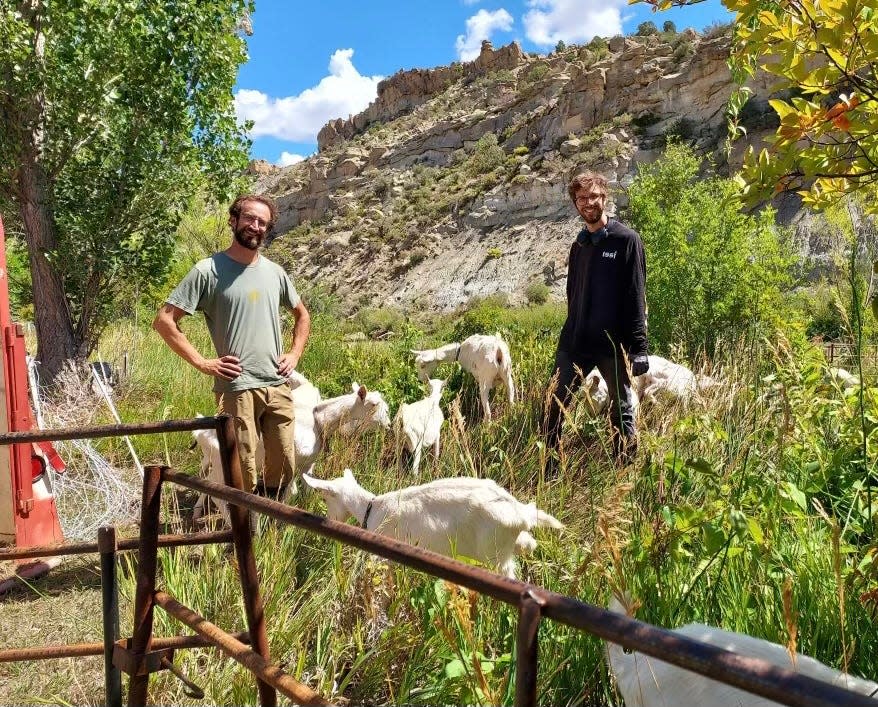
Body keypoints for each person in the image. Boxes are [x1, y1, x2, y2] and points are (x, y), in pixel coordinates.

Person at [153, 194, 311, 497]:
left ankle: (268, 526)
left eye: (262, 222)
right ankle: (243, 535)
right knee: (243, 470)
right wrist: (203, 362)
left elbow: (302, 315)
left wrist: (294, 353)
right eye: (250, 218)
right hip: (237, 387)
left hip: (278, 384)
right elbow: (164, 320)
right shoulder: (208, 270)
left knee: (284, 464)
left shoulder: (275, 273)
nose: (256, 226)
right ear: (233, 220)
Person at [543, 171, 648, 470]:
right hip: (576, 341)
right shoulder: (579, 246)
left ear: (604, 198)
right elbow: (571, 293)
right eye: (581, 199)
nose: (588, 203)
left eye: (593, 197)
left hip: (612, 344)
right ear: (575, 204)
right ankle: (549, 472)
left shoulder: (627, 240)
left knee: (622, 408)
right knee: (553, 405)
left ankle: (623, 471)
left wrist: (639, 348)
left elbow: (636, 295)